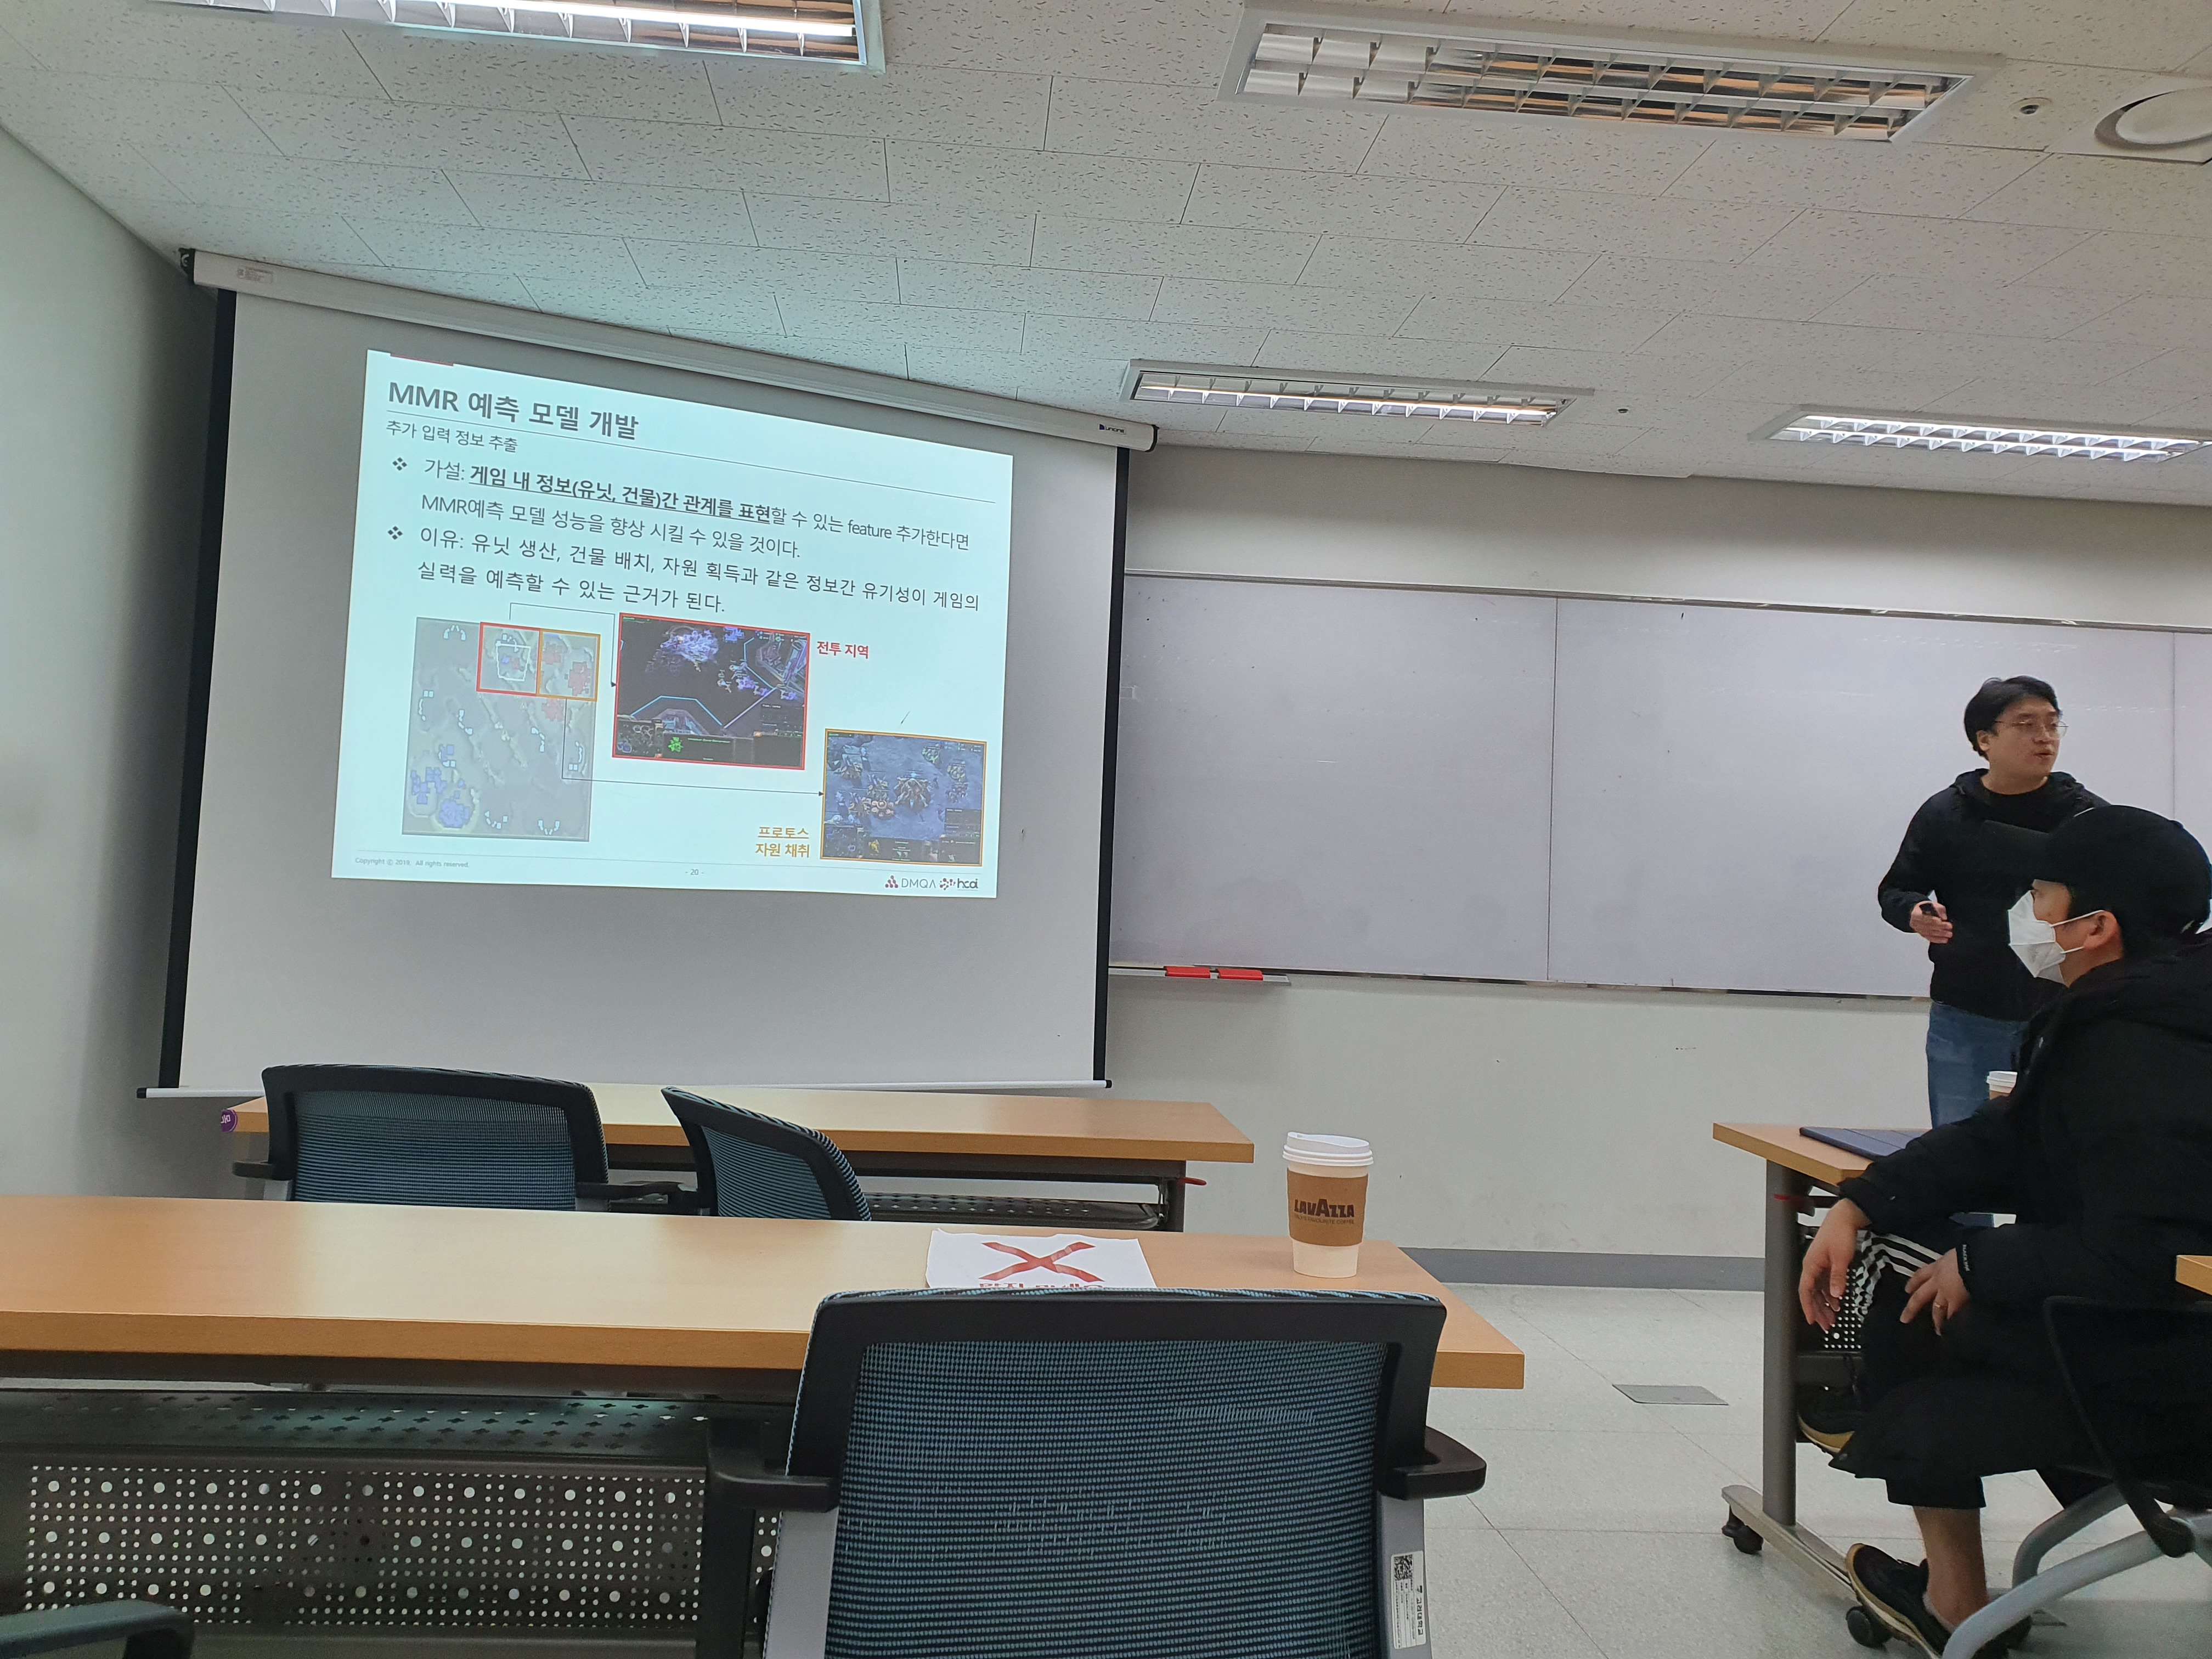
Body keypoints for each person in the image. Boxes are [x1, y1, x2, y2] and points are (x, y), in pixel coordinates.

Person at [1802, 805, 2212, 1656]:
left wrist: (1982, 1263)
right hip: (2152, 1333)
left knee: (1900, 1280)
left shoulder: (2137, 1046)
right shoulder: (2141, 1008)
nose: (2028, 911)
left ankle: (1954, 1599)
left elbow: (2151, 1251)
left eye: (2043, 894)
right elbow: (2007, 1139)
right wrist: (1863, 1197)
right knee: (1901, 1244)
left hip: (2162, 1360)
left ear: (2094, 927)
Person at [1880, 678, 2103, 1133]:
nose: (2044, 737)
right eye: (2026, 725)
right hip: (1967, 1012)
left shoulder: (2087, 817)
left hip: (2062, 1014)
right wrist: (1916, 912)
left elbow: (2121, 899)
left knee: (2060, 1149)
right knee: (1960, 1150)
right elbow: (1897, 889)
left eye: (2053, 724)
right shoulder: (1946, 814)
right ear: (1985, 740)